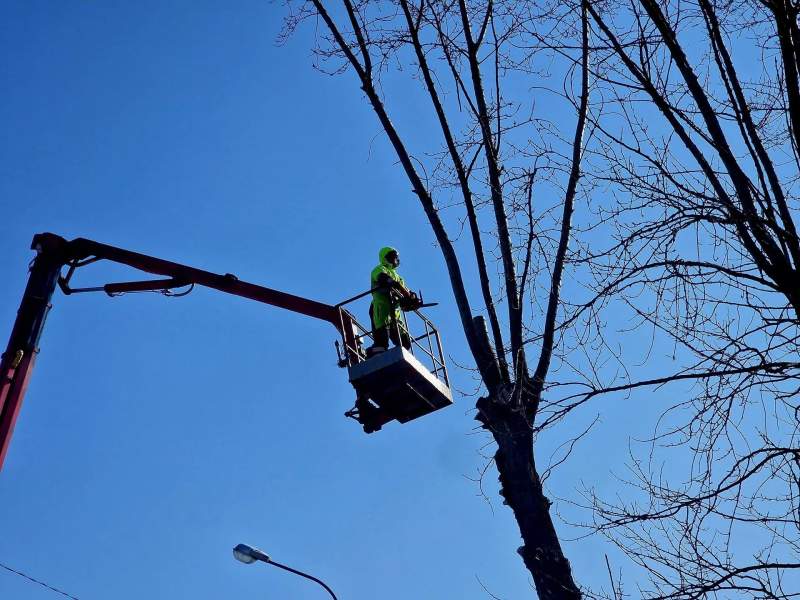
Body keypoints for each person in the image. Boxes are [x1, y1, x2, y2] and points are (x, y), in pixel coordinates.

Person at [367, 247, 419, 357]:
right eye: (393, 256)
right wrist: (394, 284)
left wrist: (412, 297)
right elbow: (382, 277)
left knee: (405, 343)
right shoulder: (379, 269)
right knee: (381, 343)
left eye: (396, 257)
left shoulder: (399, 278)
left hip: (394, 311)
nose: (396, 259)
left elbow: (406, 291)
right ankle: (369, 353)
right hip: (381, 307)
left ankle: (391, 356)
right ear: (385, 258)